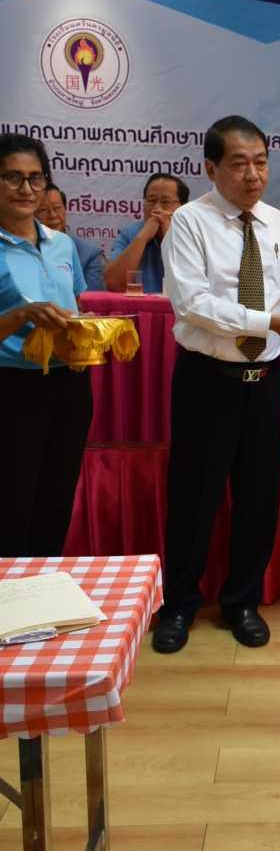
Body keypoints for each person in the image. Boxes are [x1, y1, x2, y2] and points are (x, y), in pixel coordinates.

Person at [153, 115, 280, 654]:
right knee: (194, 496)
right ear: (211, 168)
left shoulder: (276, 223)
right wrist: (270, 322)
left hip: (266, 379)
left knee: (259, 496)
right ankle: (179, 604)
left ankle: (242, 601)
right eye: (240, 163)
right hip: (209, 380)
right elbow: (192, 304)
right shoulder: (188, 222)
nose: (253, 175)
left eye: (261, 162)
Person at [0, 133, 92, 556]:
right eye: (12, 178)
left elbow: (75, 306)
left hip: (69, 386)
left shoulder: (62, 244)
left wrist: (89, 331)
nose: (26, 189)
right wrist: (22, 314)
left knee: (56, 501)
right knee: (11, 505)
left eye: (35, 178)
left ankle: (43, 588)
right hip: (13, 388)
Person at [105, 173, 189, 293]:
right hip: (137, 304)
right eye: (151, 200)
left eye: (166, 201)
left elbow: (191, 284)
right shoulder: (128, 234)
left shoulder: (193, 234)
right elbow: (114, 284)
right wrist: (143, 237)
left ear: (183, 207)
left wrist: (169, 236)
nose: (157, 208)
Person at [36, 183, 106, 291]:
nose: (53, 215)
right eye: (43, 210)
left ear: (65, 209)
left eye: (57, 208)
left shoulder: (89, 254)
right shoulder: (23, 249)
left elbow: (89, 297)